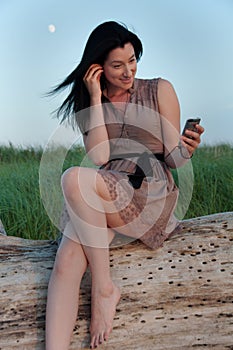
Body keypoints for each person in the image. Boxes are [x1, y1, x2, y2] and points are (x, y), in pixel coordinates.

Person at [45, 21, 204, 349]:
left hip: (149, 194)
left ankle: (104, 289)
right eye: (117, 65)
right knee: (66, 261)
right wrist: (93, 96)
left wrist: (186, 149)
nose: (128, 71)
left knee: (72, 177)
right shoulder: (89, 104)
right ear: (97, 67)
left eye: (132, 60)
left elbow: (173, 158)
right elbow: (101, 154)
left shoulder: (159, 89)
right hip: (105, 192)